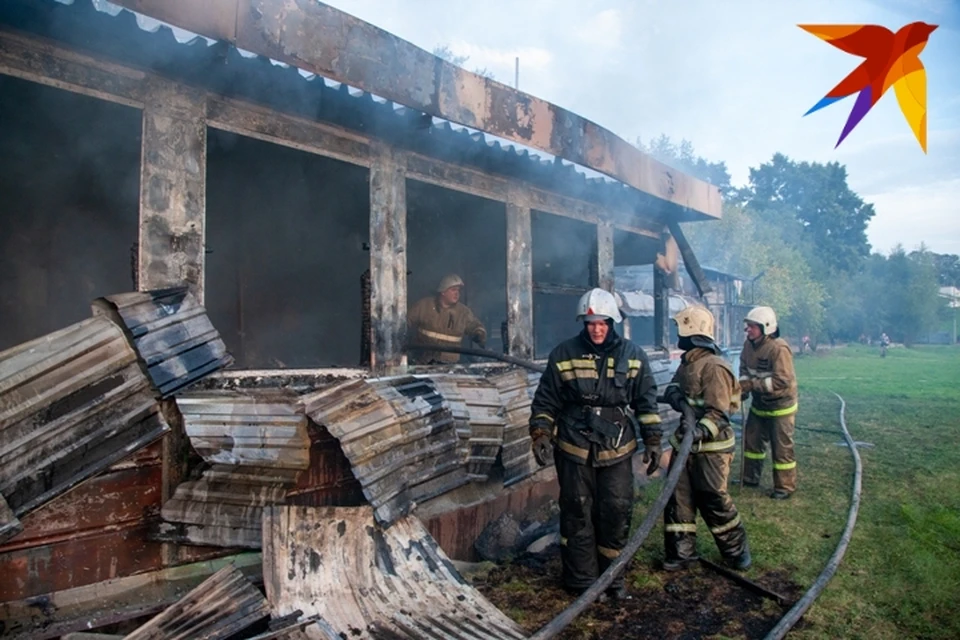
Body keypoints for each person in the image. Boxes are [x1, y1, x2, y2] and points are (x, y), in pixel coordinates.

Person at [528, 288, 663, 601]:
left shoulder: (633, 356)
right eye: (590, 323)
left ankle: (612, 579)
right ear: (583, 323)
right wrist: (541, 433)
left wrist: (653, 441)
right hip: (573, 448)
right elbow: (546, 400)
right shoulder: (564, 354)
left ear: (612, 321)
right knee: (576, 510)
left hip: (616, 448)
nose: (596, 328)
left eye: (602, 322)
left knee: (616, 509)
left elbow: (647, 402)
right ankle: (580, 581)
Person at [660, 305, 751, 572]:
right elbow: (675, 386)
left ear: (691, 332)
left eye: (680, 329)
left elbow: (719, 413)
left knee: (712, 497)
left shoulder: (713, 367)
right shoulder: (689, 362)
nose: (677, 334)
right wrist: (675, 396)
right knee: (678, 497)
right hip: (685, 445)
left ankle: (736, 551)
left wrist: (698, 431)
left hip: (712, 448)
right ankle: (681, 552)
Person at [739, 306, 799, 500]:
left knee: (781, 448)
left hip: (780, 407)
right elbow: (743, 369)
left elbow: (782, 380)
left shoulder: (779, 348)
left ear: (766, 328)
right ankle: (750, 478)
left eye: (752, 327)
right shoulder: (748, 346)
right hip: (759, 405)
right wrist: (742, 387)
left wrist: (752, 385)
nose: (748, 330)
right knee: (752, 443)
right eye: (747, 326)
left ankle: (784, 486)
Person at [407, 274, 487, 364]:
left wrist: (479, 333)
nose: (457, 293)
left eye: (458, 290)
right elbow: (405, 322)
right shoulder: (424, 306)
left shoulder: (463, 312)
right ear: (443, 291)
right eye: (453, 290)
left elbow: (474, 325)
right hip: (422, 362)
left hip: (450, 366)